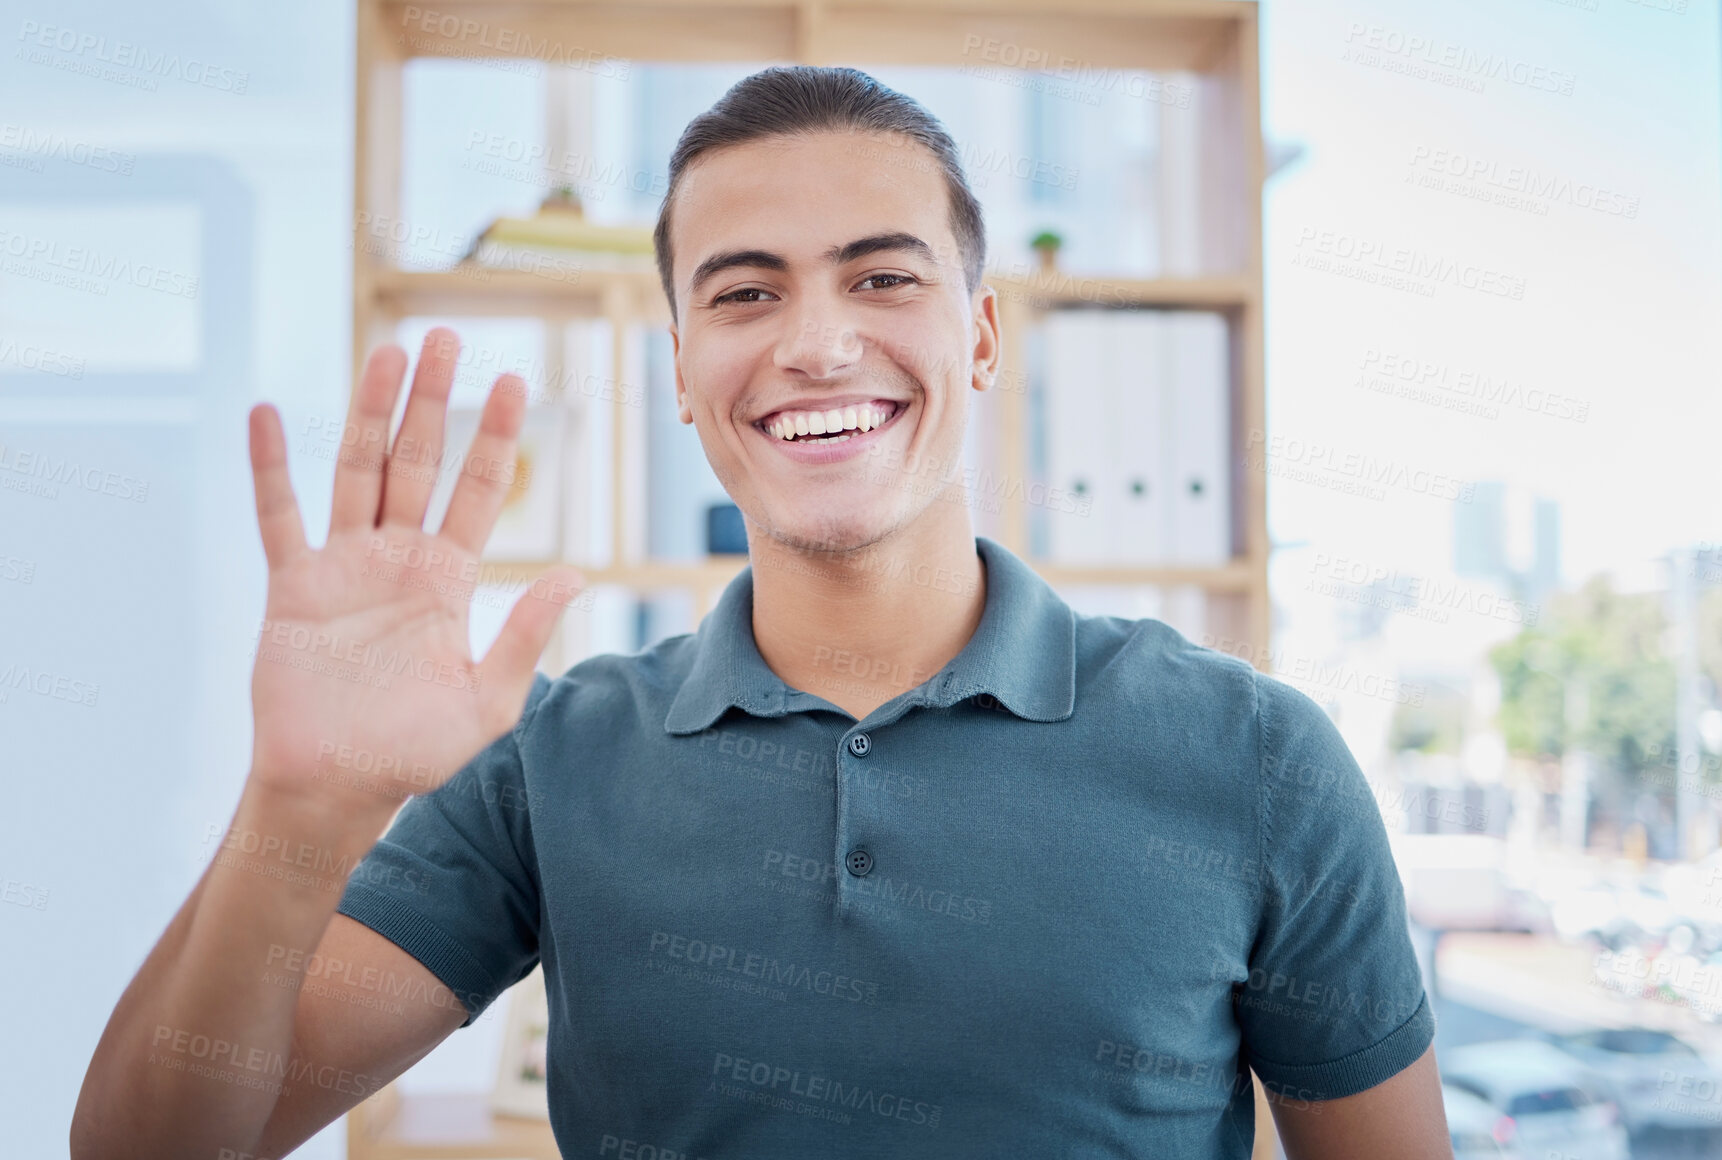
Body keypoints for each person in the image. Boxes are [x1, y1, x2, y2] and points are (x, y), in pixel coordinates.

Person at [71, 66, 1450, 1158]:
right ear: (682, 368)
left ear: (978, 334)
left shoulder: (1255, 758)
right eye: (745, 292)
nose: (813, 341)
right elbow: (156, 1146)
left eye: (882, 275)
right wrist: (298, 809)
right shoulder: (547, 766)